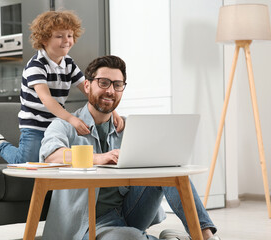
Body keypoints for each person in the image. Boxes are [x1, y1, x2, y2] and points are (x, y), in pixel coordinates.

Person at [39, 55, 220, 240]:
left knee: (171, 171)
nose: (110, 91)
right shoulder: (64, 125)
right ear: (87, 86)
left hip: (130, 213)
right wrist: (98, 158)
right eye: (103, 83)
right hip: (87, 225)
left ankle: (205, 236)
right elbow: (51, 156)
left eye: (117, 85)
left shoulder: (126, 127)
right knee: (130, 238)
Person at [0, 10, 124, 164]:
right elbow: (46, 99)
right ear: (44, 39)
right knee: (27, 162)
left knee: (54, 162)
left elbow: (90, 90)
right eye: (59, 36)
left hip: (57, 123)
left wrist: (113, 112)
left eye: (70, 36)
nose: (66, 40)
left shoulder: (68, 63)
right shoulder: (36, 66)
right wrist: (72, 119)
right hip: (35, 124)